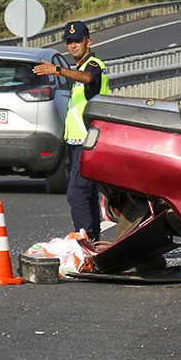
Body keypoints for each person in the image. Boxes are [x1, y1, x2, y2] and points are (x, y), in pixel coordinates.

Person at [33, 21, 111, 242]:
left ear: (89, 41)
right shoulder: (79, 68)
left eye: (78, 41)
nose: (73, 45)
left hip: (89, 141)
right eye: (69, 41)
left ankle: (85, 240)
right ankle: (93, 240)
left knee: (77, 193)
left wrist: (57, 70)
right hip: (79, 141)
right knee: (86, 194)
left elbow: (88, 79)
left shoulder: (93, 65)